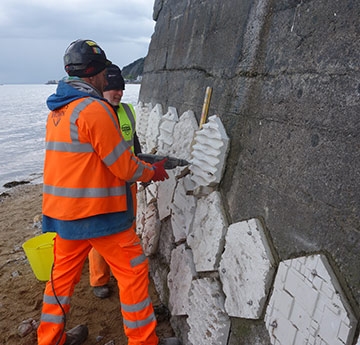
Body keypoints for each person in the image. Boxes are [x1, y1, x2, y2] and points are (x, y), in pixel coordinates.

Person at [37, 39, 179, 345]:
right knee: (133, 272)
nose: (107, 78)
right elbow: (124, 166)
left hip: (64, 216)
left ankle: (50, 339)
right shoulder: (94, 109)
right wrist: (151, 171)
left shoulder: (58, 112)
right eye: (103, 72)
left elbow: (80, 162)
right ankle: (144, 341)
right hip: (99, 215)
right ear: (94, 73)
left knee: (60, 281)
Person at [88, 64, 140, 299]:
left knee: (128, 230)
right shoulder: (94, 113)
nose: (118, 93)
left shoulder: (127, 111)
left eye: (121, 89)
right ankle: (99, 280)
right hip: (103, 188)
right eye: (113, 89)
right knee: (101, 235)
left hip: (128, 184)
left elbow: (134, 144)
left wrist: (143, 169)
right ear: (102, 90)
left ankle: (123, 273)